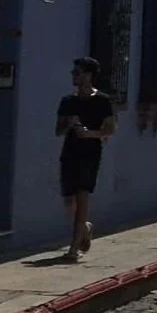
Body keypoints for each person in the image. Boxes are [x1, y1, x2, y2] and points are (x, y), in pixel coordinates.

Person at [55, 57, 115, 260]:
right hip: (69, 151)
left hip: (90, 153)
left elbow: (110, 130)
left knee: (82, 197)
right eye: (73, 73)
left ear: (88, 76)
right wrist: (69, 125)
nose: (73, 76)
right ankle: (84, 228)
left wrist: (89, 133)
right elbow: (58, 130)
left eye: (77, 73)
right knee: (68, 200)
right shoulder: (68, 101)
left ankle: (73, 248)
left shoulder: (102, 101)